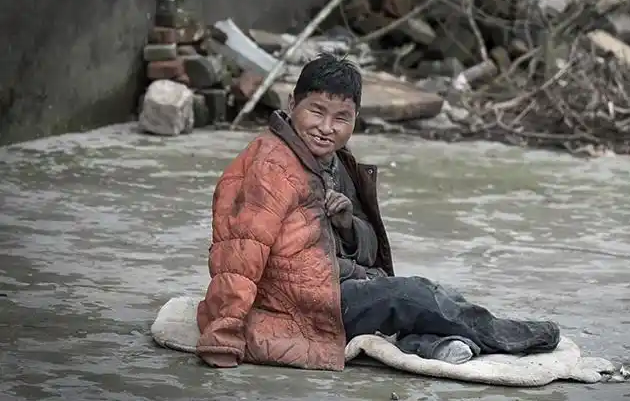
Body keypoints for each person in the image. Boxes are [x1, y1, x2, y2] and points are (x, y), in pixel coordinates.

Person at [196, 53, 561, 370]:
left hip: (340, 281)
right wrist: (224, 332)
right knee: (411, 297)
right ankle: (505, 336)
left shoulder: (333, 163)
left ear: (356, 118)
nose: (326, 128)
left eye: (341, 117)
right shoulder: (271, 165)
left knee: (436, 293)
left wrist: (347, 227)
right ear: (293, 105)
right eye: (316, 111)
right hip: (301, 302)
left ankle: (428, 345)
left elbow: (370, 250)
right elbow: (240, 251)